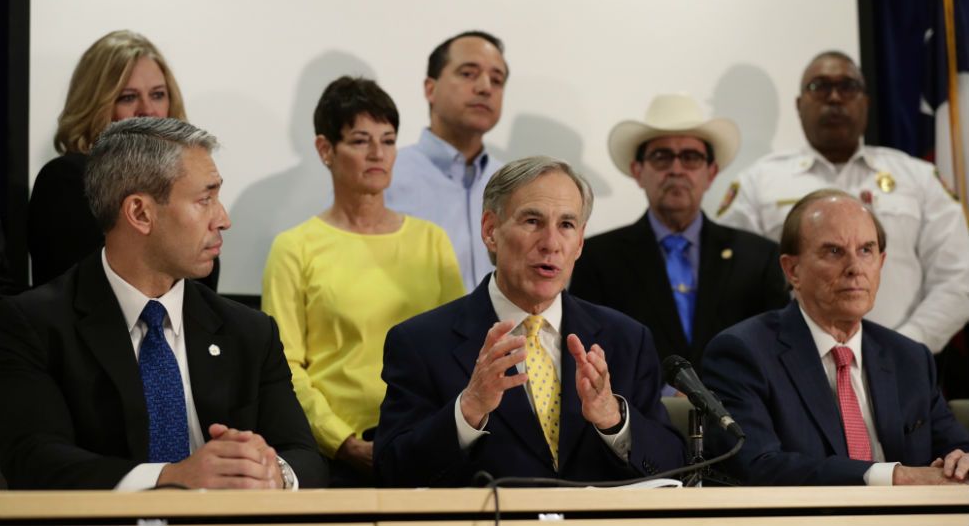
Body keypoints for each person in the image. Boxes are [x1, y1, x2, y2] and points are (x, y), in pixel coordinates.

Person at [0, 118, 326, 490]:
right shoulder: (33, 325)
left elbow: (304, 456)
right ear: (140, 213)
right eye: (205, 200)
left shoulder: (249, 332)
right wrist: (169, 479)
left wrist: (273, 474)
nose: (223, 219)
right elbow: (34, 460)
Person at [375, 156, 685, 487]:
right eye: (533, 221)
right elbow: (392, 474)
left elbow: (674, 468)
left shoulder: (626, 340)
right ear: (491, 231)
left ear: (579, 242)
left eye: (566, 225)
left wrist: (614, 420)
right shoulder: (420, 342)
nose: (551, 244)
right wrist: (467, 410)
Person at [262, 76, 465, 487]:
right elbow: (286, 369)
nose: (378, 154)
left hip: (426, 442)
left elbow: (458, 350)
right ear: (325, 149)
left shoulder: (431, 241)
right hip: (334, 454)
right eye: (360, 141)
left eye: (388, 140)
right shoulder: (294, 248)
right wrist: (342, 442)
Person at [703, 189, 969, 486]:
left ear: (881, 263)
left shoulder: (909, 358)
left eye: (866, 250)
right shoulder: (743, 353)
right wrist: (892, 476)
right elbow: (757, 465)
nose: (855, 268)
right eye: (834, 251)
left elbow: (956, 448)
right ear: (792, 270)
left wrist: (962, 461)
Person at [717, 51, 969, 354]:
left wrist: (906, 347)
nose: (834, 97)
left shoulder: (919, 178)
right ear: (799, 106)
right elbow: (732, 283)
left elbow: (959, 276)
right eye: (819, 87)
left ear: (865, 102)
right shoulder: (756, 184)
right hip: (790, 370)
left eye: (848, 87)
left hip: (903, 371)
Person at [571, 93, 788, 372]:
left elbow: (777, 350)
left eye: (690, 157)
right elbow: (588, 351)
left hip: (739, 409)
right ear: (638, 171)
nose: (676, 169)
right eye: (662, 157)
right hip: (638, 410)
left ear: (711, 173)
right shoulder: (597, 258)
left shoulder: (759, 256)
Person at [28, 30, 218, 289]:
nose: (148, 110)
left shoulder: (187, 180)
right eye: (128, 97)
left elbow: (203, 288)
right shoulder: (66, 180)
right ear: (95, 104)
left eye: (158, 94)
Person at [384, 30, 508, 292]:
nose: (485, 87)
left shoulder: (512, 184)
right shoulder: (385, 176)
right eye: (468, 74)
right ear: (430, 89)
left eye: (497, 80)